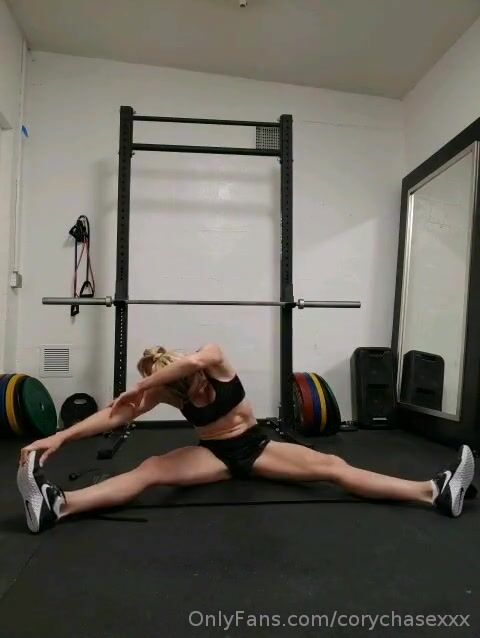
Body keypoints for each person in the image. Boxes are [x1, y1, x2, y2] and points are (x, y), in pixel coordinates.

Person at [17, 344, 476, 533]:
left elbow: (198, 358)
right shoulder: (170, 391)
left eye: (188, 383)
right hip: (214, 455)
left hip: (257, 447)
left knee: (334, 468)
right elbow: (113, 417)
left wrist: (141, 384)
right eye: (181, 392)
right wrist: (60, 437)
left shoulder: (212, 361)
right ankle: (58, 505)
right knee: (151, 469)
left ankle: (433, 492)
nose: (192, 392)